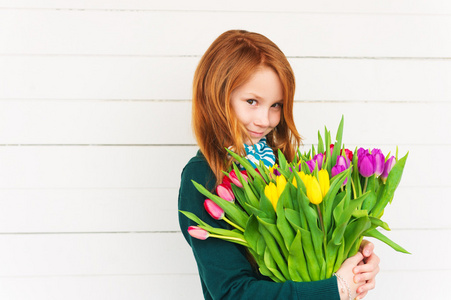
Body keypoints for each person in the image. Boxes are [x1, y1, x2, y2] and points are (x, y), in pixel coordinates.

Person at [178, 29, 379, 300]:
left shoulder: (284, 163)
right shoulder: (203, 177)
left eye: (276, 105)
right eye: (252, 101)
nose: (266, 119)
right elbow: (232, 293)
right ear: (216, 97)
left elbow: (309, 249)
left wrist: (353, 255)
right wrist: (335, 289)